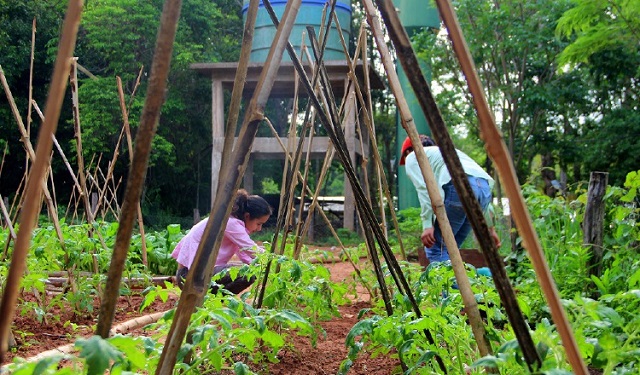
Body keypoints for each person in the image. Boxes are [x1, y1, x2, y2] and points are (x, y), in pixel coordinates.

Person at [400, 135, 501, 264]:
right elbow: (476, 187)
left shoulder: (413, 156)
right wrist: (490, 230)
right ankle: (469, 281)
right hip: (484, 189)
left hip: (458, 185)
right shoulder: (447, 153)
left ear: (408, 151)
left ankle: (451, 284)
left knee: (436, 249)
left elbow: (424, 189)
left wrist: (427, 225)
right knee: (449, 249)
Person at [171, 189, 272, 294]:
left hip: (191, 273)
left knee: (248, 271)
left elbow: (245, 255)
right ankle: (212, 300)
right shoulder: (231, 223)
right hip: (189, 276)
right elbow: (251, 250)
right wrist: (274, 262)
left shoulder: (232, 222)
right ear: (247, 216)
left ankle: (212, 301)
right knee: (247, 273)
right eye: (259, 223)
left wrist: (261, 268)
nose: (259, 228)